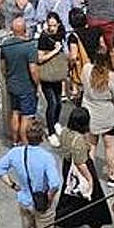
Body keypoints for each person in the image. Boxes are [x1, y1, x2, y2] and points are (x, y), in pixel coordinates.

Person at [55, 106, 114, 228]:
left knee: (69, 197)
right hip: (81, 169)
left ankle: (58, 221)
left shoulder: (65, 132)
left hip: (67, 167)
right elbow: (80, 163)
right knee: (94, 199)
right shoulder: (79, 141)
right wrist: (90, 179)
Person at [81, 48, 114, 169]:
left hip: (90, 115)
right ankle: (111, 174)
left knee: (91, 146)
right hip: (108, 117)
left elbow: (82, 85)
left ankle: (91, 174)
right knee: (110, 147)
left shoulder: (86, 69)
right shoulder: (112, 77)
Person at [1, 17, 39, 143]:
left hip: (12, 85)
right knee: (26, 116)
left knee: (15, 113)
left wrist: (8, 77)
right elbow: (33, 70)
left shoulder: (6, 44)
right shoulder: (30, 46)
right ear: (25, 29)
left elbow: (2, 66)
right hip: (26, 87)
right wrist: (37, 84)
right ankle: (25, 142)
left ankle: (15, 141)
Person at [36, 12, 69, 144]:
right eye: (50, 25)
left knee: (59, 102)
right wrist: (55, 51)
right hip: (47, 75)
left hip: (58, 73)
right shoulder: (43, 38)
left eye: (54, 25)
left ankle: (55, 122)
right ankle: (50, 132)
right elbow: (39, 58)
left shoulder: (61, 33)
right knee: (52, 103)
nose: (52, 28)